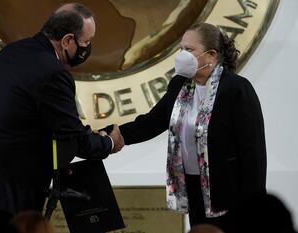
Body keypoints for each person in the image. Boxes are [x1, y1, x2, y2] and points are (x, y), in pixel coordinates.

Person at [0, 3, 124, 232]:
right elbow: (73, 138)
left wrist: (84, 134)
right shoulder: (53, 73)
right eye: (86, 42)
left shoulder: (13, 51)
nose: (88, 48)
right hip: (3, 194)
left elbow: (34, 119)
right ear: (68, 40)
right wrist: (108, 142)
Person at [101, 23, 266, 233]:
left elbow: (253, 152)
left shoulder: (236, 88)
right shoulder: (180, 85)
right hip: (194, 186)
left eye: (189, 50)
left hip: (229, 191)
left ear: (211, 55)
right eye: (181, 49)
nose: (181, 55)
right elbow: (151, 122)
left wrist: (257, 205)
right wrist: (111, 135)